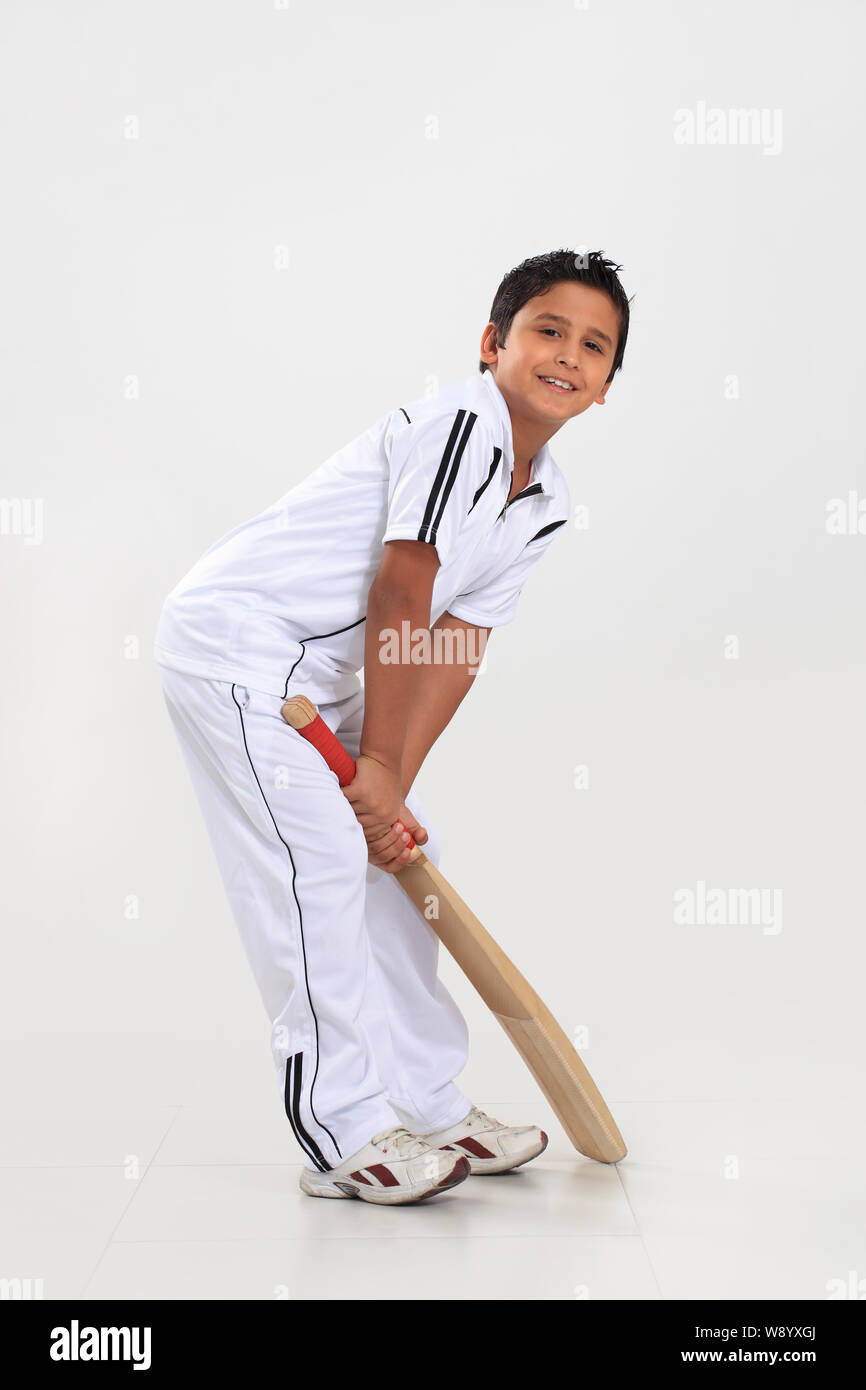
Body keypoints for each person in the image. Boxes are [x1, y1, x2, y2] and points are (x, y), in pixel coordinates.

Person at [154, 248, 631, 1204]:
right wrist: (369, 763)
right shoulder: (462, 424)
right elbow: (402, 587)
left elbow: (454, 646)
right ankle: (342, 1134)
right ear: (494, 344)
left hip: (325, 675)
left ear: (608, 385)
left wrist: (392, 784)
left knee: (405, 858)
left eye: (594, 346)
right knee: (322, 860)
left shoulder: (546, 501)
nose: (567, 355)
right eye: (547, 330)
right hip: (240, 646)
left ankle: (430, 1106)